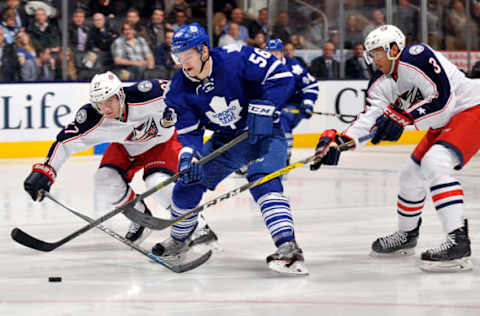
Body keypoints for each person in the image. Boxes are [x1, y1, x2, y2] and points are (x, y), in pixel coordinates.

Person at [311, 25, 479, 272]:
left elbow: (444, 101)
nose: (373, 59)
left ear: (393, 49)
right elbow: (370, 118)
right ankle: (407, 235)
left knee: (435, 162)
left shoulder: (417, 55)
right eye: (370, 54)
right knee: (410, 174)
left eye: (377, 52)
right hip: (445, 122)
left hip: (471, 108)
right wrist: (339, 140)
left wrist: (401, 117)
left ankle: (458, 242)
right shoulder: (381, 82)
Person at [151, 23, 308, 275]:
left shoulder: (236, 56)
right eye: (177, 58)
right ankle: (180, 240)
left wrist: (267, 104)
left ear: (203, 50)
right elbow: (190, 132)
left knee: (262, 179)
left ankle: (288, 247)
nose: (183, 63)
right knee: (186, 186)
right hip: (227, 141)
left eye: (187, 56)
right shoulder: (178, 89)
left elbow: (281, 76)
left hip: (265, 134)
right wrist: (188, 157)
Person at [23, 71, 217, 247]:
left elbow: (185, 90)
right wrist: (46, 171)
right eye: (100, 103)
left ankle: (198, 225)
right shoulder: (92, 118)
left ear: (121, 94)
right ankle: (140, 220)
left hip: (162, 143)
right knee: (104, 179)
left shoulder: (147, 94)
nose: (106, 108)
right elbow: (64, 143)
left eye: (110, 100)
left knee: (157, 182)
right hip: (128, 147)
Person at [266, 38, 319, 165]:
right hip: (273, 105)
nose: (273, 56)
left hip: (293, 106)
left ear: (282, 53)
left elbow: (311, 85)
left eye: (276, 53)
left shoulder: (294, 67)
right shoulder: (261, 67)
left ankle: (285, 156)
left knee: (282, 122)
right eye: (270, 53)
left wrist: (308, 102)